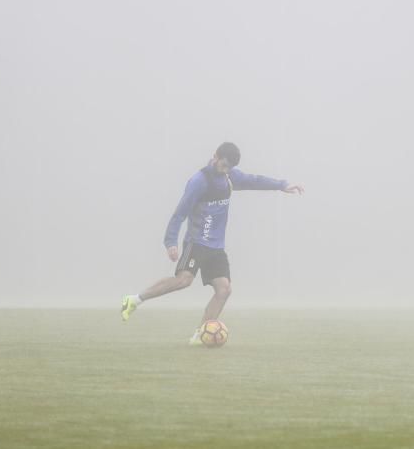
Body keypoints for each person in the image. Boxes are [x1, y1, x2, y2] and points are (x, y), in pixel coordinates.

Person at [121, 142, 303, 344]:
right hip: (196, 243)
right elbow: (180, 213)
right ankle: (135, 299)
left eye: (229, 168)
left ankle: (200, 336)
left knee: (224, 290)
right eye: (223, 165)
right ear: (214, 156)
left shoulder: (229, 176)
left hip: (216, 247)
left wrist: (282, 185)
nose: (225, 170)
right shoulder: (199, 181)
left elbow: (253, 180)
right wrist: (170, 241)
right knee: (184, 280)